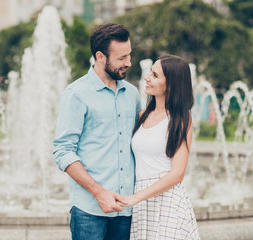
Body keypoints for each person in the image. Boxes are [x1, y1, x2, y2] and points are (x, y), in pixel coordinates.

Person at [53, 23, 141, 240]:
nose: (128, 63)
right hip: (89, 211)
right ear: (100, 56)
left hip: (126, 209)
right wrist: (98, 192)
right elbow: (63, 151)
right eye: (122, 58)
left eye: (129, 55)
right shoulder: (76, 94)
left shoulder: (132, 93)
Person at [117, 55, 200, 239]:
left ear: (170, 84)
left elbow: (177, 174)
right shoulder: (142, 116)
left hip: (167, 200)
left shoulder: (181, 119)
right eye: (150, 72)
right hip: (142, 204)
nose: (147, 77)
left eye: (155, 75)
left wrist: (135, 198)